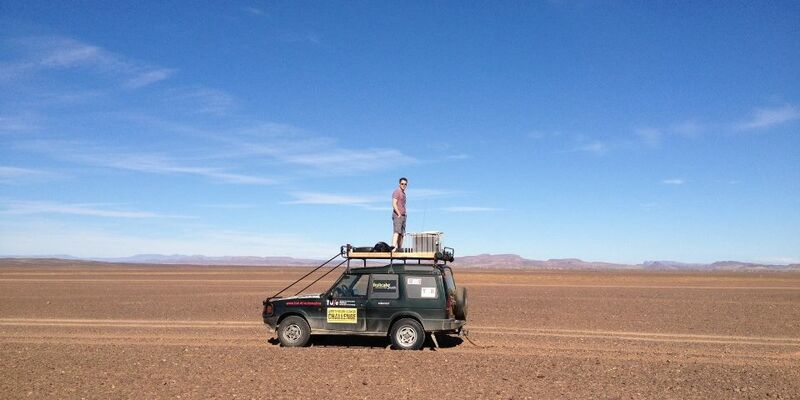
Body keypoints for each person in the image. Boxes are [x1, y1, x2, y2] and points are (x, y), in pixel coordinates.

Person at [391, 177, 408, 251]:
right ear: (399, 184)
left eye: (405, 184)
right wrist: (398, 214)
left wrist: (404, 214)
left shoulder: (403, 193)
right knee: (397, 231)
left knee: (402, 233)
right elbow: (394, 203)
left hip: (403, 215)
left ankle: (399, 248)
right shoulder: (397, 192)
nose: (403, 185)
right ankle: (393, 248)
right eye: (402, 184)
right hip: (398, 215)